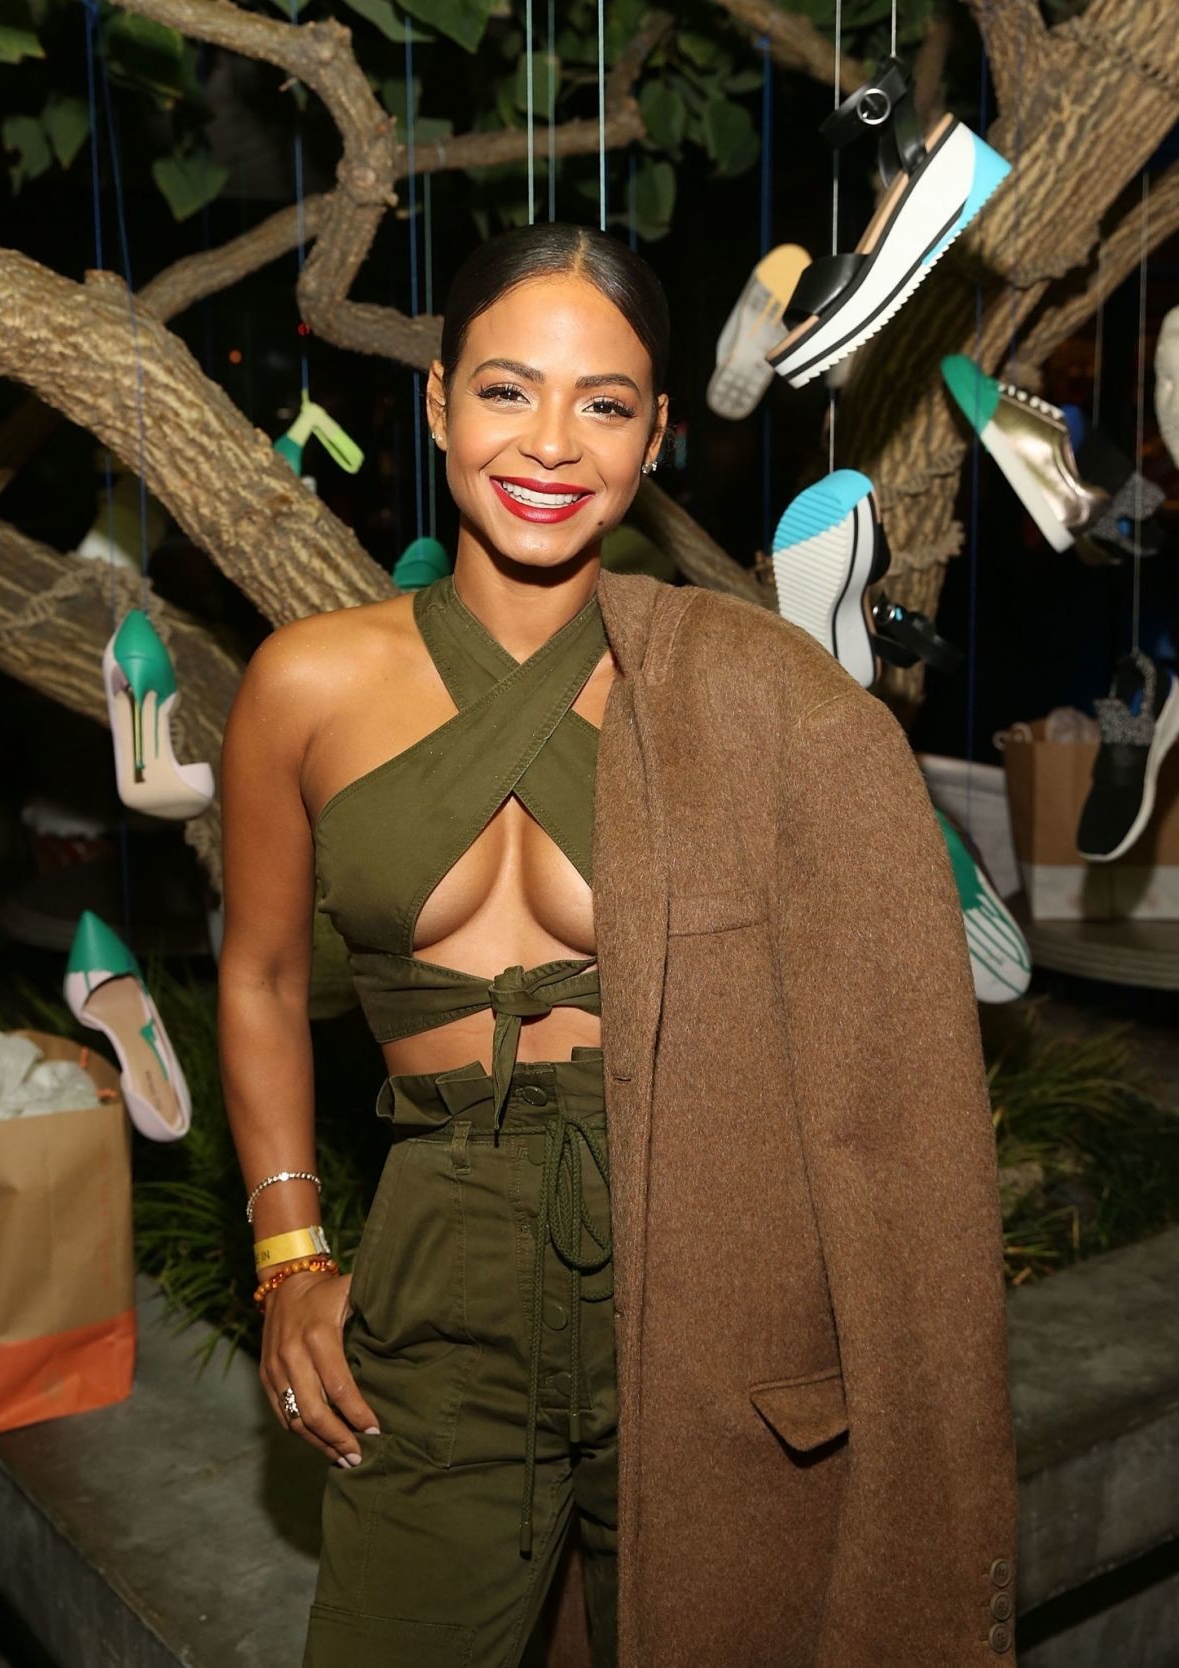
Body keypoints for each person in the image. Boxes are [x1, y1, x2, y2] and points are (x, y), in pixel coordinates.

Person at [218, 224, 1019, 1668]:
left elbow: (877, 1045)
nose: (551, 443)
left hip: (704, 1261)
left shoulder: (741, 691)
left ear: (655, 437)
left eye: (603, 404)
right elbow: (264, 975)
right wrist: (288, 1253)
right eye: (508, 390)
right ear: (439, 403)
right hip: (441, 1266)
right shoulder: (309, 684)